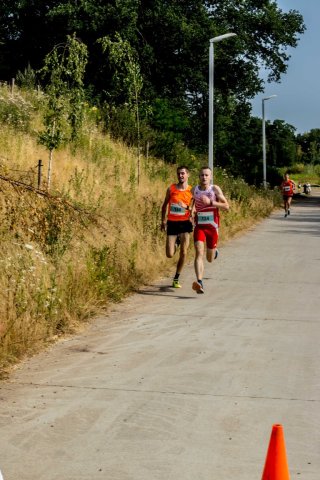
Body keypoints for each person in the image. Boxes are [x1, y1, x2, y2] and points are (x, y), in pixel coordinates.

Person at [191, 166, 229, 294]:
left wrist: (211, 203)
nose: (204, 177)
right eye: (202, 175)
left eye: (207, 175)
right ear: (199, 177)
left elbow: (226, 206)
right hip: (199, 227)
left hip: (212, 227)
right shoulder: (194, 190)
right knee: (198, 253)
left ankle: (214, 251)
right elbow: (193, 205)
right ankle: (199, 282)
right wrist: (191, 212)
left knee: (209, 258)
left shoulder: (214, 189)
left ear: (211, 177)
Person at [161, 166, 193, 288]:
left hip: (185, 223)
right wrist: (163, 220)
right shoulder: (171, 189)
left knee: (184, 253)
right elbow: (164, 206)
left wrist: (186, 207)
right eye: (179, 173)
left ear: (188, 175)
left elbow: (194, 210)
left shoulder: (192, 191)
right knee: (169, 254)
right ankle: (176, 242)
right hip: (172, 223)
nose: (180, 175)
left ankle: (176, 278)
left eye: (183, 173)